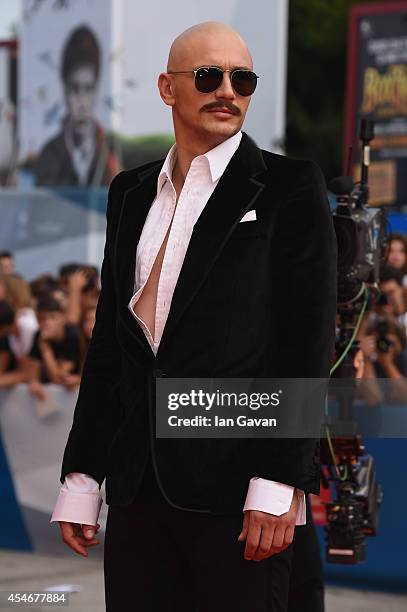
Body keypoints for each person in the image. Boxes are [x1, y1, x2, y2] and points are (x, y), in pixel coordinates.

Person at [50, 21, 337, 611]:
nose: (227, 90)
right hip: (137, 491)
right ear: (167, 88)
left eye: (243, 78)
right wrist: (81, 478)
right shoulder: (130, 193)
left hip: (238, 493)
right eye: (208, 76)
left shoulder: (288, 187)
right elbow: (111, 344)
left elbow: (305, 345)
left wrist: (278, 481)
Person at [35, 25, 120, 187]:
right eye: (75, 89)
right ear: (64, 91)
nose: (82, 103)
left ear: (97, 90)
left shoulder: (110, 152)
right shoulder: (50, 155)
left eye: (88, 89)